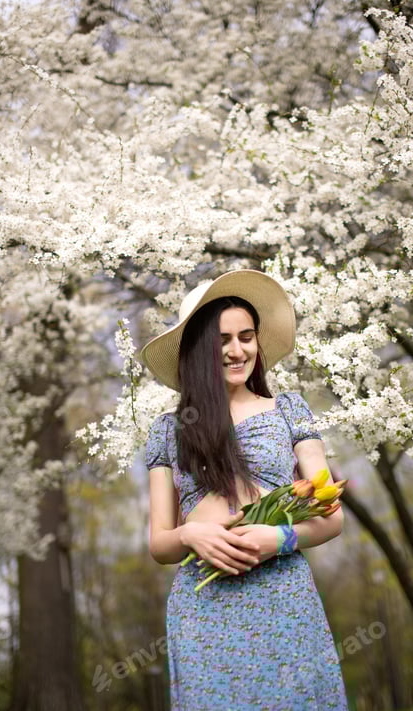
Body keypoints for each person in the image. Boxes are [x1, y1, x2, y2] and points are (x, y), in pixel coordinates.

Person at [142, 269, 348, 710]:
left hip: (283, 595)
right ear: (199, 349)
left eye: (247, 336)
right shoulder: (168, 431)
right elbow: (160, 543)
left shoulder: (288, 411)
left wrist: (280, 538)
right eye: (222, 340)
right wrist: (189, 534)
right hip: (204, 606)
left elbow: (333, 513)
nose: (238, 351)